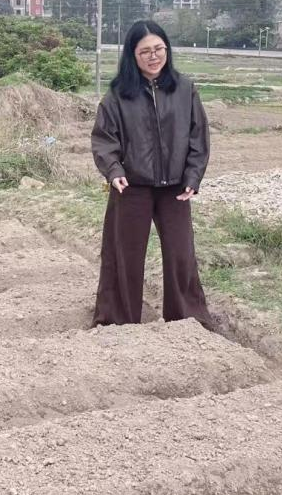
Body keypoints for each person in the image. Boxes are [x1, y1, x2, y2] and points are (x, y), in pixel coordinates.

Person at [90, 20, 214, 331]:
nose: (153, 56)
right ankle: (117, 320)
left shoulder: (184, 89)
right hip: (131, 187)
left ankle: (186, 319)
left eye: (159, 49)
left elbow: (198, 137)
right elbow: (104, 139)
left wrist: (193, 177)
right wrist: (114, 171)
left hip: (175, 188)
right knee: (124, 255)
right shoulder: (118, 95)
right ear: (132, 55)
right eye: (145, 51)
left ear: (167, 50)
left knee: (180, 253)